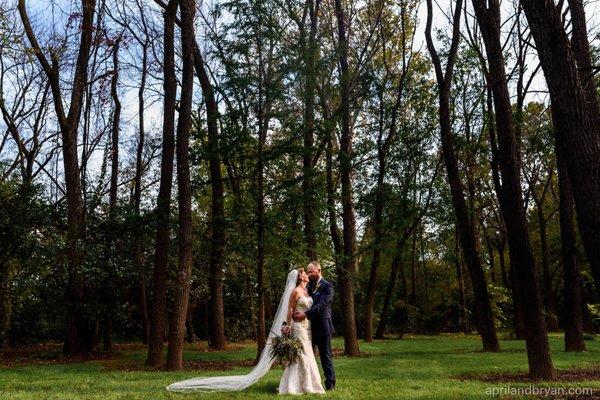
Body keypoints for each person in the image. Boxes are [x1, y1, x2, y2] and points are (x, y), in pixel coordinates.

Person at [277, 267, 325, 394]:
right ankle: (300, 386)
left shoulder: (307, 291)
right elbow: (290, 309)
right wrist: (287, 326)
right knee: (302, 355)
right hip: (297, 326)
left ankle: (306, 384)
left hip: (307, 326)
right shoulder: (296, 291)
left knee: (307, 353)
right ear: (301, 277)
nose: (308, 275)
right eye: (306, 273)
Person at [293, 261, 336, 391]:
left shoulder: (328, 286)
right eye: (309, 272)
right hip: (308, 329)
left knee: (325, 356)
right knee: (306, 357)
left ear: (319, 270)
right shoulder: (310, 286)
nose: (310, 274)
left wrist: (305, 314)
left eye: (312, 271)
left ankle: (330, 385)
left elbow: (321, 305)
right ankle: (305, 384)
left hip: (323, 327)